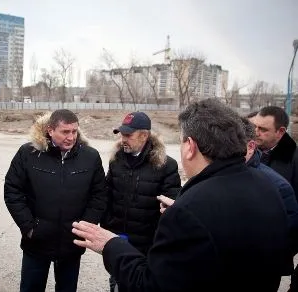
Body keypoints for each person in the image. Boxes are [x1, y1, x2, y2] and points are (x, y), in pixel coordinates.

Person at [72, 99, 289, 292]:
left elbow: (152, 284)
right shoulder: (269, 186)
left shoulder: (189, 209)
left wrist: (111, 245)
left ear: (190, 147)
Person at [4, 109, 107, 292]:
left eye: (74, 131)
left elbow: (99, 195)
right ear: (50, 130)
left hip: (71, 243)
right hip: (36, 242)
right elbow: (13, 191)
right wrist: (29, 227)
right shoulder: (28, 153)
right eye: (65, 132)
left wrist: (83, 228)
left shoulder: (90, 157)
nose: (71, 137)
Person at [101, 111, 181, 291]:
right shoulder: (116, 161)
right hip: (118, 239)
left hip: (147, 244)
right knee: (116, 282)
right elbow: (107, 193)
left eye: (128, 135)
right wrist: (107, 224)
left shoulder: (166, 165)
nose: (123, 139)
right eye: (122, 134)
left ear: (144, 135)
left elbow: (170, 207)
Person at [251, 106, 298, 291]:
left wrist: (285, 248)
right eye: (255, 127)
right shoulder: (248, 152)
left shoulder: (294, 161)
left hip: (272, 253)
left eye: (263, 129)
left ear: (280, 132)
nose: (256, 133)